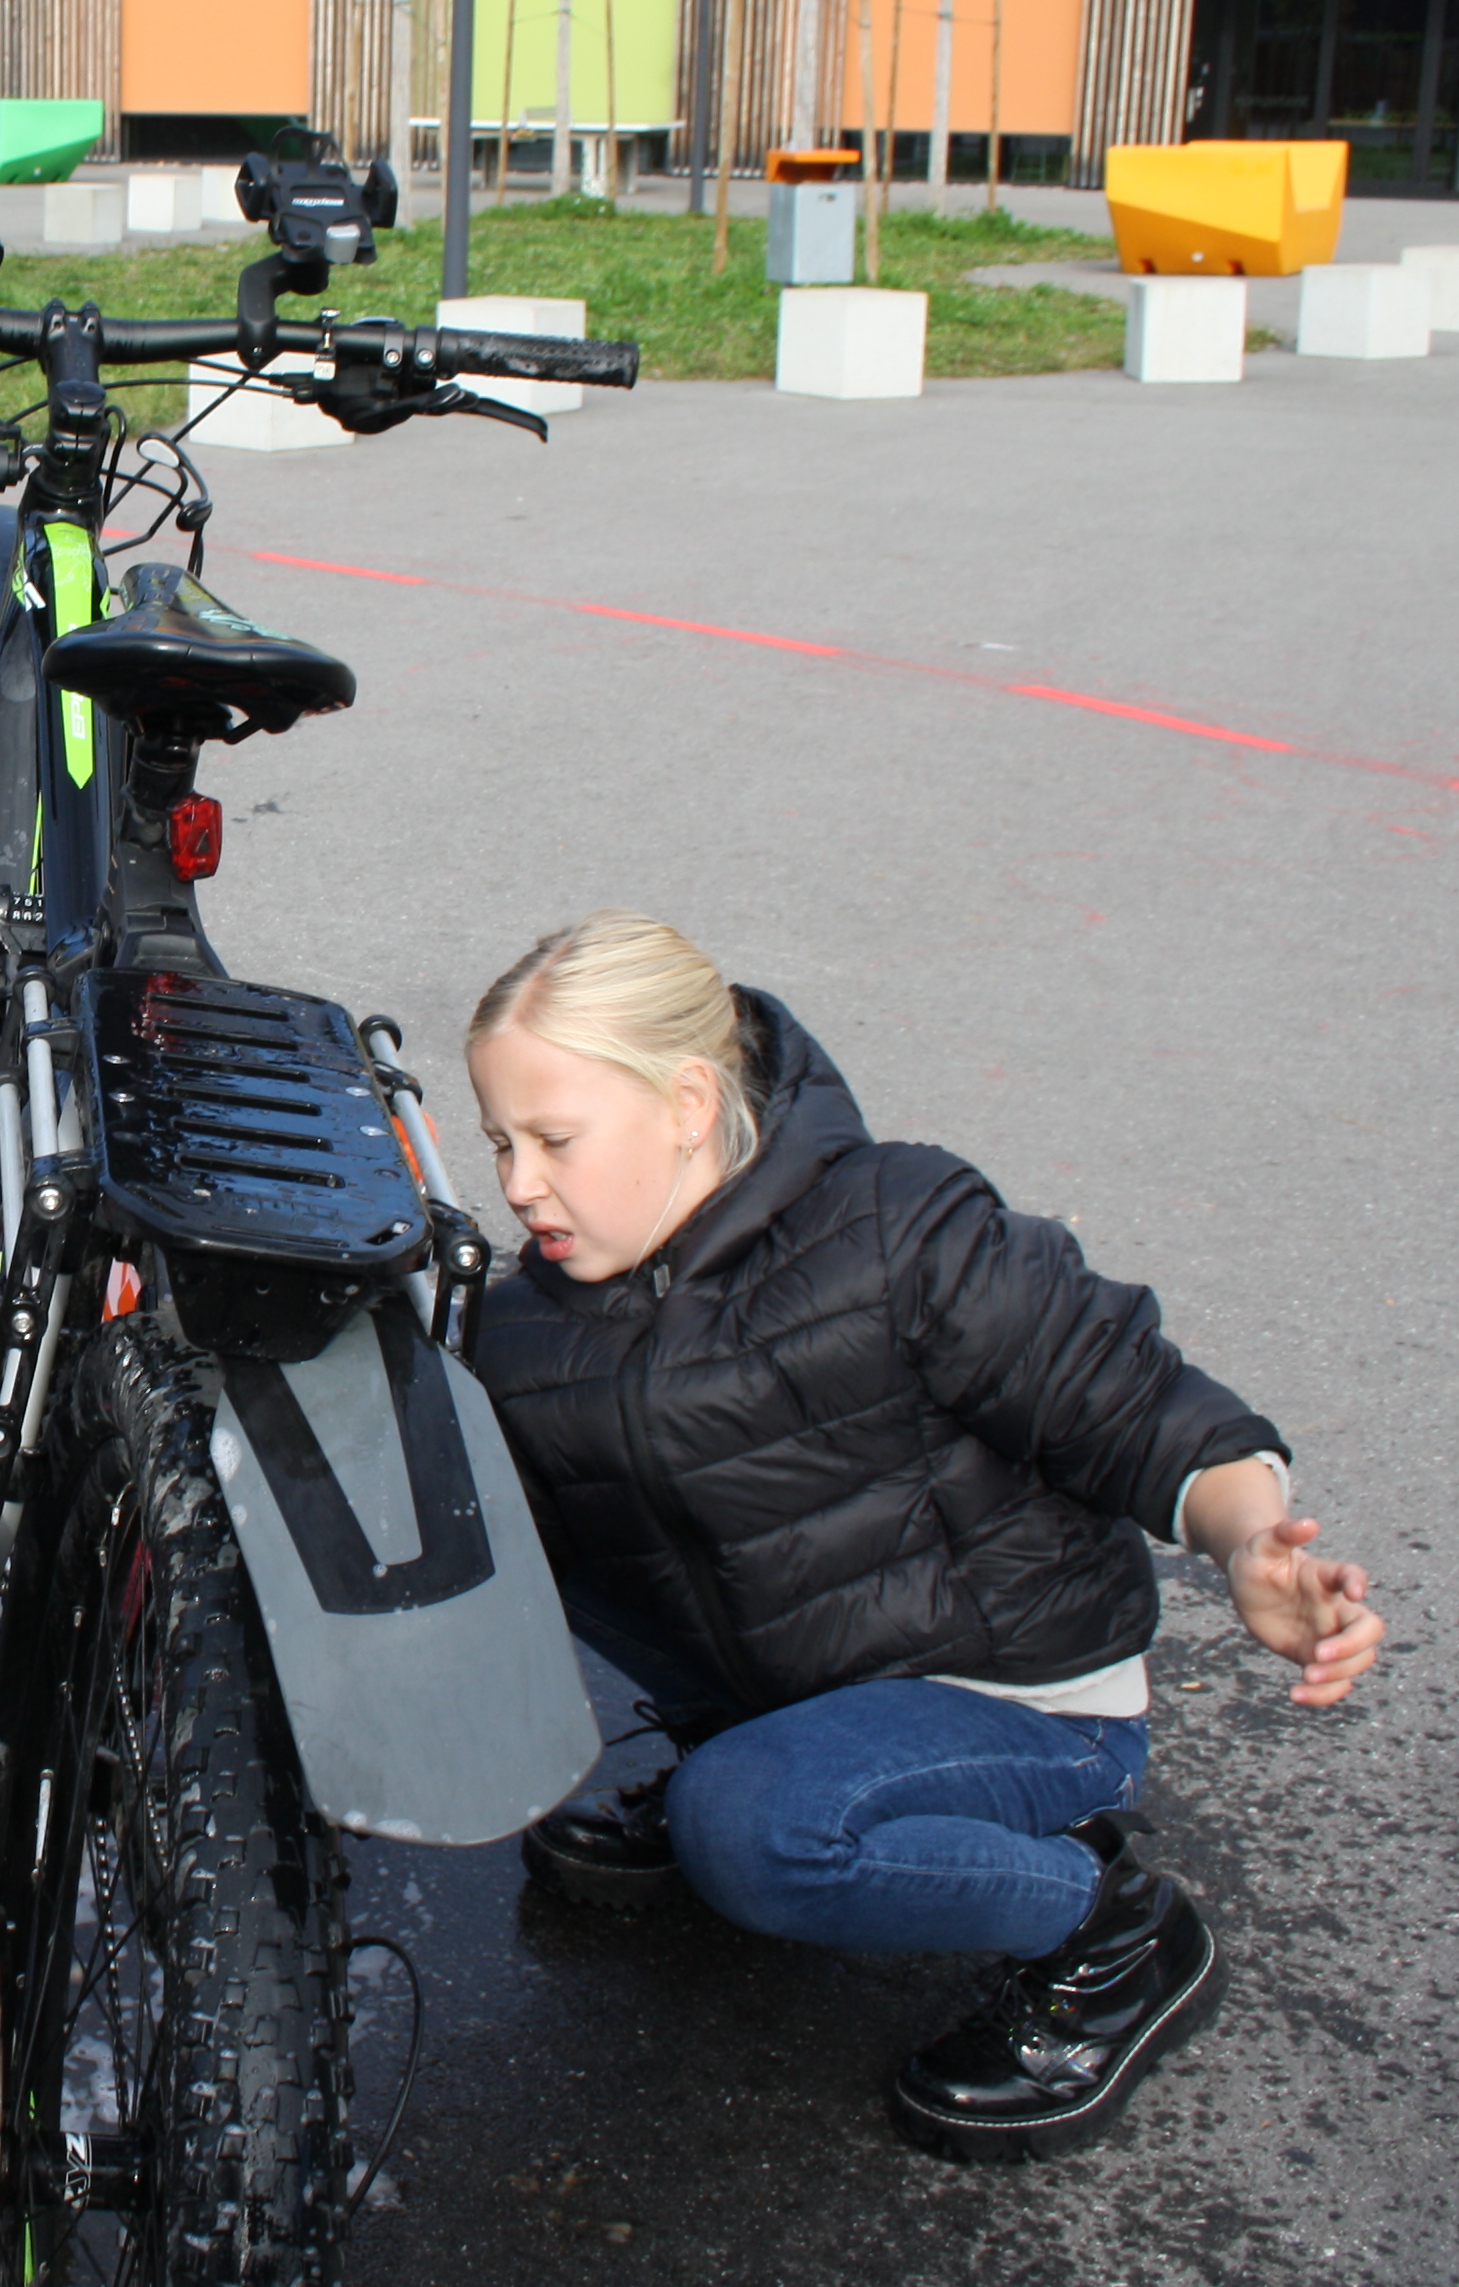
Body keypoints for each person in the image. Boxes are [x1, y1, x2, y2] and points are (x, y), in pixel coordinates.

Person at [462, 911, 1383, 2162]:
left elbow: (1132, 1403)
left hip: (1018, 1700)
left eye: (555, 1140)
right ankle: (757, 1765)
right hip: (807, 1668)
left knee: (751, 1829)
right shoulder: (531, 1325)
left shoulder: (898, 1226)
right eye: (500, 1143)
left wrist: (1250, 1538)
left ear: (687, 1104)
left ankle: (1110, 1928)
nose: (520, 1183)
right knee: (531, 1515)